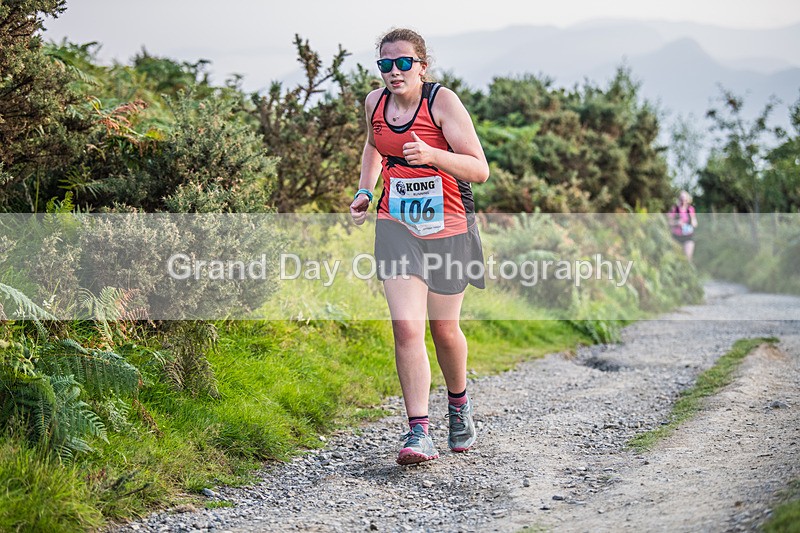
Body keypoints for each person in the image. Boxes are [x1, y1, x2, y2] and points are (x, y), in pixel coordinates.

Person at [349, 28, 489, 465]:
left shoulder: (441, 102)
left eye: (403, 62)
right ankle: (419, 432)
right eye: (385, 64)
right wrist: (366, 192)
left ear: (422, 66)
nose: (394, 72)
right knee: (406, 327)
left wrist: (432, 155)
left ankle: (459, 404)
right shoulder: (375, 103)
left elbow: (479, 169)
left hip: (448, 225)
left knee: (443, 330)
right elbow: (375, 146)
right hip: (396, 224)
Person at [668, 190, 698, 262]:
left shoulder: (690, 209)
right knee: (675, 258)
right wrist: (677, 222)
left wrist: (692, 223)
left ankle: (687, 271)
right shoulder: (674, 209)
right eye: (681, 199)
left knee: (687, 259)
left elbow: (695, 223)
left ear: (687, 200)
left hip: (688, 236)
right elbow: (669, 222)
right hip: (676, 237)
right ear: (679, 199)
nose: (683, 201)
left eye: (685, 199)